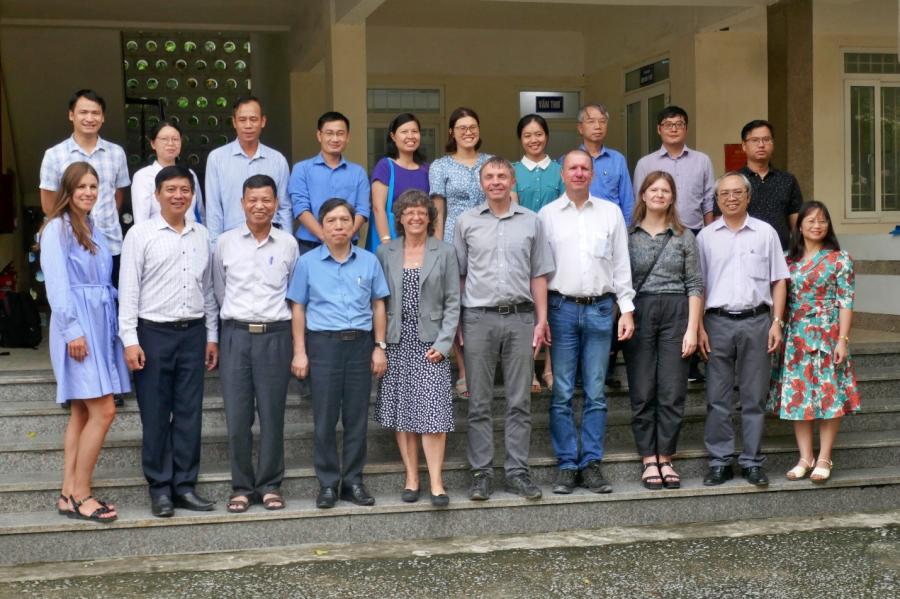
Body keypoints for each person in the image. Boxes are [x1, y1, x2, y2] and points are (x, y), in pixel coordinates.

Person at [119, 165, 220, 517]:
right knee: (156, 413)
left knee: (191, 413)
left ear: (193, 195)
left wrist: (211, 335)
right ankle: (160, 487)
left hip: (192, 333)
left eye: (184, 189)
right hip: (153, 334)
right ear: (157, 194)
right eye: (171, 189)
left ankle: (185, 486)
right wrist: (130, 340)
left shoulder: (203, 235)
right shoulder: (140, 235)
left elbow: (207, 291)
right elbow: (128, 292)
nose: (178, 195)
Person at [454, 157, 554, 501]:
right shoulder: (466, 222)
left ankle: (517, 472)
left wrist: (542, 320)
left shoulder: (532, 221)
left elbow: (539, 273)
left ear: (513, 180)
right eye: (489, 176)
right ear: (481, 183)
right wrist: (456, 322)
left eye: (501, 176)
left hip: (520, 317)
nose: (495, 181)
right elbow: (460, 275)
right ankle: (481, 472)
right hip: (478, 317)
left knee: (519, 401)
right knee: (479, 400)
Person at [538, 150, 634, 495]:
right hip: (561, 308)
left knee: (595, 393)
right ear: (562, 174)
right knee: (562, 392)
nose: (578, 173)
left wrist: (627, 309)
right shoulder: (547, 216)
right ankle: (567, 464)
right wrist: (542, 316)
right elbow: (540, 271)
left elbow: (621, 266)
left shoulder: (609, 214)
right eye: (572, 168)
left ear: (592, 174)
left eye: (584, 168)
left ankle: (591, 463)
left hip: (600, 311)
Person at [41, 162, 129, 522]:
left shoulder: (92, 227)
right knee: (104, 410)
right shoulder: (57, 229)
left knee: (81, 411)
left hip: (99, 322)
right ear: (68, 189)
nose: (89, 192)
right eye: (82, 186)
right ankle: (82, 494)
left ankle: (67, 492)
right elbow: (57, 285)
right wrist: (71, 330)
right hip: (76, 325)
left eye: (94, 186)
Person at [287, 198, 389, 509]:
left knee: (357, 417)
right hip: (323, 346)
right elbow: (298, 308)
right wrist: (299, 352)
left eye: (344, 219)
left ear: (353, 224)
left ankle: (353, 481)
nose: (339, 226)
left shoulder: (369, 261)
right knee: (325, 418)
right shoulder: (307, 263)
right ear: (322, 226)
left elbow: (378, 305)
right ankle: (329, 483)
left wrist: (379, 346)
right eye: (331, 220)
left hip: (360, 344)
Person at [213, 174, 299, 513]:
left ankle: (270, 484)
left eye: (266, 199)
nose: (259, 205)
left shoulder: (288, 244)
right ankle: (241, 486)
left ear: (276, 204)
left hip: (276, 336)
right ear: (242, 203)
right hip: (235, 334)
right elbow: (219, 291)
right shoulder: (225, 242)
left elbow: (293, 296)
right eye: (253, 199)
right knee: (237, 416)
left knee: (272, 414)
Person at [697, 171, 789, 488]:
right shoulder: (705, 237)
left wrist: (777, 322)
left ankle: (751, 461)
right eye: (724, 194)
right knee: (717, 398)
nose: (732, 198)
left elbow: (779, 280)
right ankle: (720, 461)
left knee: (754, 397)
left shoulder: (766, 233)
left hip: (758, 321)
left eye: (738, 192)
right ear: (717, 199)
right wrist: (698, 327)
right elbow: (698, 287)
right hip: (717, 322)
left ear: (748, 196)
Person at [375, 190, 460, 507]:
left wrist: (444, 342)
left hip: (431, 343)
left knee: (434, 413)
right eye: (409, 212)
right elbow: (379, 302)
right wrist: (380, 344)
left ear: (430, 217)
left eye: (422, 212)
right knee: (403, 414)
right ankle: (412, 478)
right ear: (399, 217)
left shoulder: (445, 251)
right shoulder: (385, 252)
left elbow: (453, 301)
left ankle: (437, 482)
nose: (415, 217)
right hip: (397, 342)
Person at [621, 171, 703, 490]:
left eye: (665, 190)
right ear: (643, 195)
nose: (659, 194)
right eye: (653, 189)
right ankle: (647, 459)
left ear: (672, 197)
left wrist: (692, 329)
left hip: (677, 311)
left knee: (671, 389)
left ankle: (666, 457)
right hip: (639, 310)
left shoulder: (685, 236)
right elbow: (621, 281)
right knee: (643, 389)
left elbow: (695, 283)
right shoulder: (628, 236)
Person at [768, 201, 859, 483]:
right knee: (799, 395)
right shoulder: (787, 260)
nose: (817, 225)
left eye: (822, 221)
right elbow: (780, 298)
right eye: (811, 221)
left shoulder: (839, 259)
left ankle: (824, 457)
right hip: (796, 335)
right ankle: (805, 457)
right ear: (800, 226)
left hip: (828, 333)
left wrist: (843, 340)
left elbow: (846, 302)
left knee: (829, 395)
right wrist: (778, 325)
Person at [633, 105, 714, 383]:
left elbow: (707, 201)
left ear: (686, 128)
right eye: (668, 124)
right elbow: (639, 199)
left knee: (695, 289)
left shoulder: (702, 160)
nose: (674, 128)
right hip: (654, 231)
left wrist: (710, 232)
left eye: (679, 123)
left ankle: (691, 360)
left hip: (692, 232)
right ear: (659, 129)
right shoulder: (645, 163)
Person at [429, 107, 491, 398]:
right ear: (451, 132)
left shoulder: (490, 162)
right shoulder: (440, 166)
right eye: (462, 127)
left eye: (473, 126)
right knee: (458, 307)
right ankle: (465, 372)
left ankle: (486, 369)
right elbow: (438, 210)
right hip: (454, 241)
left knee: (485, 308)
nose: (468, 131)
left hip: (490, 242)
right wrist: (439, 248)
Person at [39, 89, 130, 277]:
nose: (90, 118)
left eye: (95, 113)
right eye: (83, 112)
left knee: (113, 301)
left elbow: (118, 195)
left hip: (110, 244)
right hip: (72, 247)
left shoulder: (116, 153)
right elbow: (49, 205)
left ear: (103, 117)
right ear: (71, 115)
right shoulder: (54, 155)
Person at [512, 114, 564, 393]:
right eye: (527, 135)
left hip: (556, 248)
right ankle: (530, 367)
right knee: (528, 310)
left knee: (552, 309)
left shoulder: (560, 170)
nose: (534, 140)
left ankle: (549, 368)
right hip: (523, 249)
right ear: (520, 139)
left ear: (547, 136)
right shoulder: (512, 171)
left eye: (539, 134)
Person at [205, 96, 292, 246]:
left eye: (253, 119)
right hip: (232, 241)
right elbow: (213, 208)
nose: (248, 125)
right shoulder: (217, 158)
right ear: (234, 122)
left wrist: (287, 242)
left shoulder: (277, 160)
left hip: (271, 240)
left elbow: (284, 206)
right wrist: (215, 246)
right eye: (242, 120)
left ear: (263, 121)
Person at [289, 111, 370, 254]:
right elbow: (300, 208)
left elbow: (362, 210)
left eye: (340, 133)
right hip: (310, 244)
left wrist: (345, 236)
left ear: (348, 137)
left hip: (348, 243)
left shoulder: (358, 172)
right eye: (329, 133)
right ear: (319, 135)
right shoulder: (301, 169)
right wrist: (325, 236)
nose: (335, 138)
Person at [366, 113, 430, 253]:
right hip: (391, 240)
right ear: (393, 136)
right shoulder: (385, 166)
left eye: (414, 131)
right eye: (404, 132)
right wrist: (387, 242)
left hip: (420, 242)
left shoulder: (426, 169)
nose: (410, 136)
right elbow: (378, 208)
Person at [737, 119, 803, 251]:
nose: (761, 145)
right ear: (744, 145)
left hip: (782, 253)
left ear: (772, 144)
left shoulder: (787, 180)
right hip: (743, 253)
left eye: (766, 139)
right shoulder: (734, 180)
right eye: (755, 140)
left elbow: (797, 223)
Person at [131, 119, 204, 225]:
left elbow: (200, 213)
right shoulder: (143, 176)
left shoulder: (189, 174)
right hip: (157, 238)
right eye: (164, 139)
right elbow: (141, 220)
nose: (170, 143)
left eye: (175, 139)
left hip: (190, 236)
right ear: (153, 144)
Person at [573, 103, 634, 225]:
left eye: (602, 121)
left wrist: (627, 230)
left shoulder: (617, 160)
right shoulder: (569, 160)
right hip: (578, 227)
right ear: (580, 128)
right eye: (591, 122)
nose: (598, 126)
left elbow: (628, 202)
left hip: (611, 226)